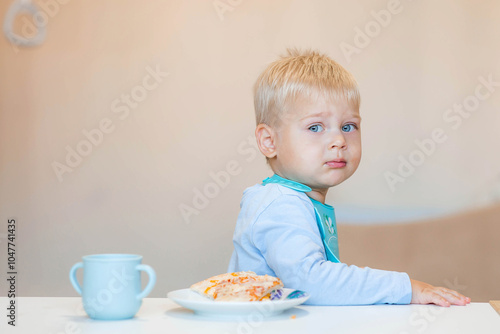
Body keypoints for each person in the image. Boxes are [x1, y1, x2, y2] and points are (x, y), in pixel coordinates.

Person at [227, 48, 471, 306]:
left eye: (348, 126)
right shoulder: (279, 204)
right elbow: (310, 282)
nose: (339, 140)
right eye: (315, 127)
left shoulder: (297, 200)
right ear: (269, 141)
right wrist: (405, 288)